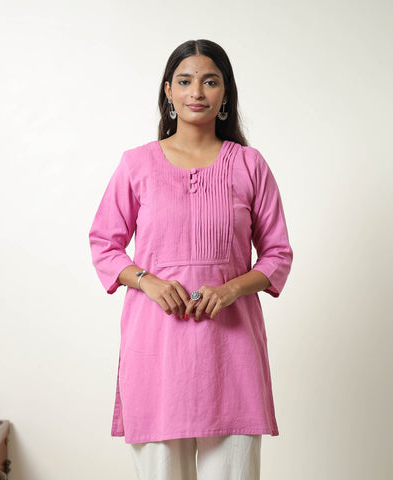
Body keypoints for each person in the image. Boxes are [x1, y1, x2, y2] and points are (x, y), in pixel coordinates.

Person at [89, 39, 293, 480]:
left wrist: (231, 289)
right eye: (184, 81)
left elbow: (277, 253)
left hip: (232, 353)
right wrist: (147, 280)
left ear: (225, 93)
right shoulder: (137, 164)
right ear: (168, 91)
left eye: (210, 81)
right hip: (157, 350)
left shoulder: (249, 165)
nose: (196, 92)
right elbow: (104, 243)